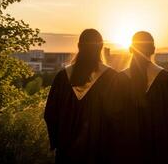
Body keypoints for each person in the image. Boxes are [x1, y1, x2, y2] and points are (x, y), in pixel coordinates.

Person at [44, 29, 118, 164]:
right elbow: (118, 116)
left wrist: (59, 142)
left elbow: (50, 114)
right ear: (101, 47)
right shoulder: (112, 77)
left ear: (79, 46)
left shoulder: (62, 77)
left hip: (67, 151)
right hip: (100, 151)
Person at [117, 31, 168, 164]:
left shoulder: (120, 79)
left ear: (130, 49)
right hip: (158, 150)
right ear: (153, 50)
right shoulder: (165, 78)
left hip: (127, 150)